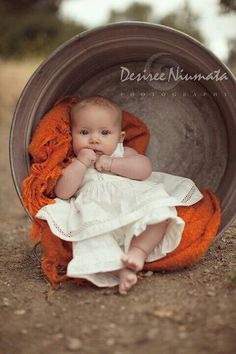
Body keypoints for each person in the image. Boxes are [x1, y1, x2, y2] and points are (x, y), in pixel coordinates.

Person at [36, 96, 203, 295]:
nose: (94, 139)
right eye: (84, 132)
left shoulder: (123, 153)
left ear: (120, 138)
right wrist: (80, 164)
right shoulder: (73, 163)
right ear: (71, 135)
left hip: (132, 203)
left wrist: (111, 164)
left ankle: (138, 251)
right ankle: (120, 269)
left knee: (158, 213)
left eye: (105, 132)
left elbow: (144, 170)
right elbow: (63, 193)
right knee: (91, 239)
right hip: (96, 213)